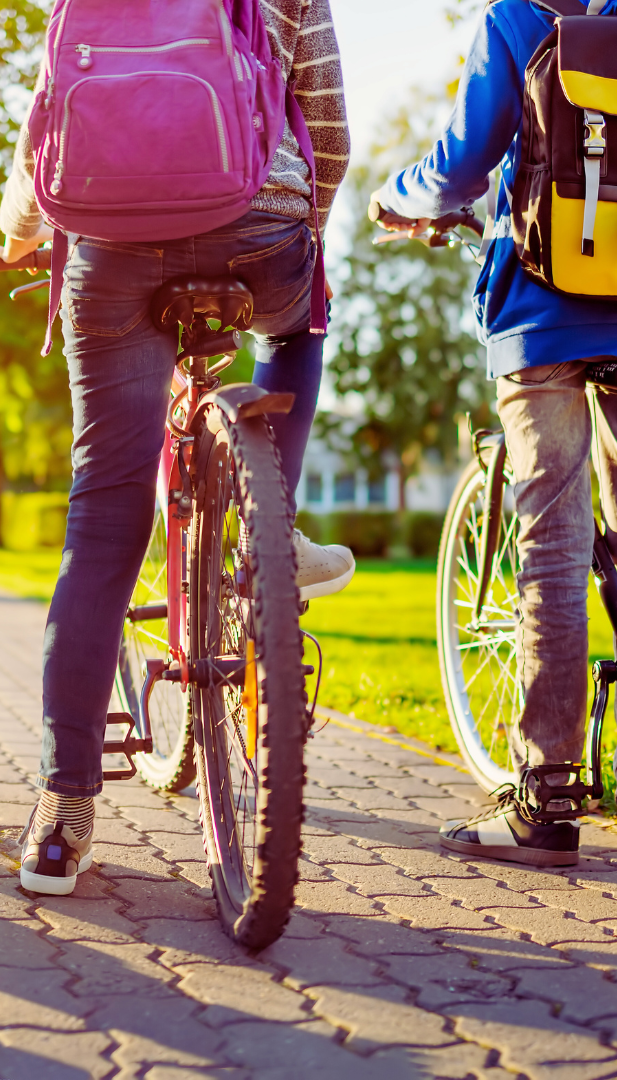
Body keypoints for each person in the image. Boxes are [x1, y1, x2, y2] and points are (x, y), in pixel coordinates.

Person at [0, 0, 353, 895]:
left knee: (104, 521)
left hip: (112, 236)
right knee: (300, 324)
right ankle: (271, 536)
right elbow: (331, 128)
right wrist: (304, 218)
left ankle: (63, 812)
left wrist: (21, 231)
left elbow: (54, 96)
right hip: (257, 221)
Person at [372, 0, 617, 868]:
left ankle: (544, 801)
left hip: (543, 319)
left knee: (552, 542)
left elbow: (457, 168)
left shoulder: (519, 17)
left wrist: (395, 199)